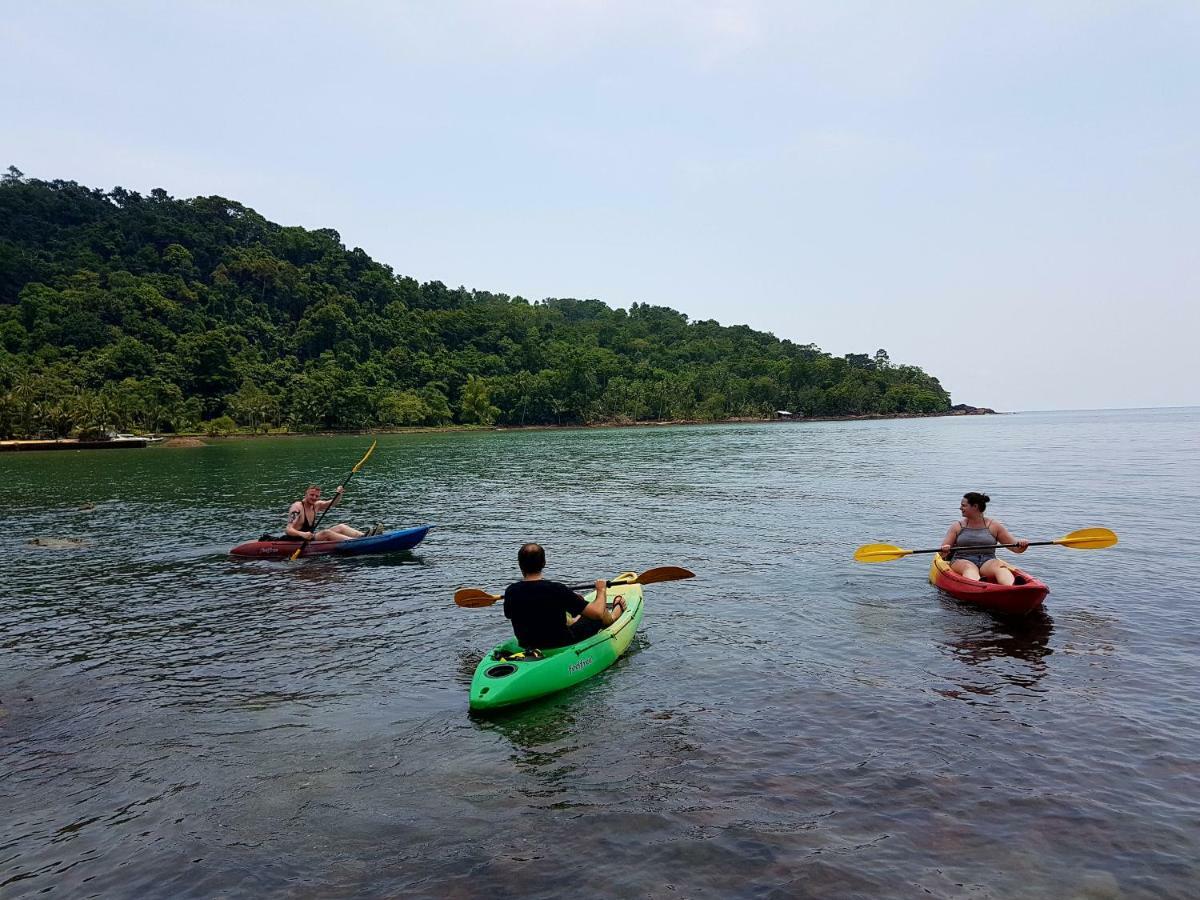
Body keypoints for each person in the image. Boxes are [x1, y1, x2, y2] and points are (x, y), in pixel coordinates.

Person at [502, 543, 627, 651]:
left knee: (570, 607)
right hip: (560, 644)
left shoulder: (511, 591)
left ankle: (576, 616)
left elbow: (510, 614)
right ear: (544, 563)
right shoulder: (557, 589)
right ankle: (614, 615)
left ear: (520, 564)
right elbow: (597, 613)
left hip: (526, 644)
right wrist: (601, 590)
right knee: (596, 615)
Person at [939, 492, 1030, 585]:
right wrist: (945, 549)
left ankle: (1013, 586)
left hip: (987, 560)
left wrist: (1022, 544)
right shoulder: (957, 526)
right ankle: (978, 585)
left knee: (999, 566)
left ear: (975, 506)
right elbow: (941, 554)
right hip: (962, 560)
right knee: (969, 567)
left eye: (964, 505)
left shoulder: (994, 526)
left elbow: (1015, 548)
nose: (960, 508)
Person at [284, 485, 371, 543]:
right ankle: (357, 542)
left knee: (341, 527)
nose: (314, 498)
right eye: (312, 495)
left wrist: (339, 494)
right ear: (306, 494)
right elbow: (288, 530)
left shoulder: (316, 505)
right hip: (296, 540)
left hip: (309, 537)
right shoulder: (297, 507)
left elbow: (332, 503)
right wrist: (303, 534)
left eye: (317, 496)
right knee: (326, 533)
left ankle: (364, 536)